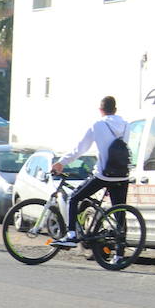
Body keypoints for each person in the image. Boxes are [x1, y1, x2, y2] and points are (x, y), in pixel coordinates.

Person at [51, 95, 131, 247]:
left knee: (74, 198)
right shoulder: (127, 125)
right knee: (120, 212)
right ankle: (120, 255)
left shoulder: (98, 125)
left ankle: (71, 235)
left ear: (101, 110)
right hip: (122, 175)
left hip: (103, 175)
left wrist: (61, 163)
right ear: (115, 109)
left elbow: (80, 149)